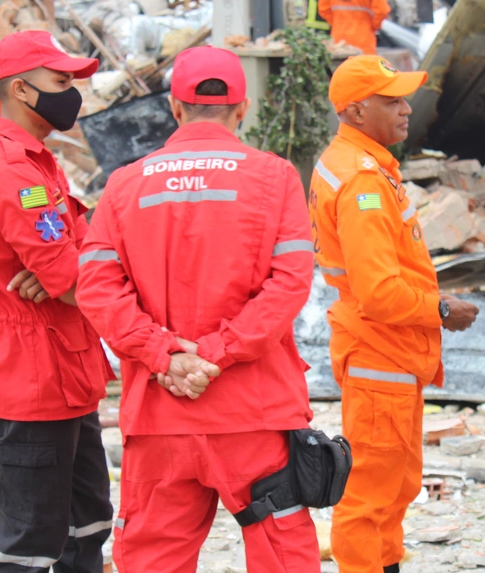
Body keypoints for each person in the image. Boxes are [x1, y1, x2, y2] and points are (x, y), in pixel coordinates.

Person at [75, 46, 320, 573]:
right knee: (282, 553)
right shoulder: (274, 177)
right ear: (242, 109)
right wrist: (216, 354)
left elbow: (96, 290)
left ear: (176, 109)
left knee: (152, 558)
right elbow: (290, 283)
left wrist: (164, 356)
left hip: (160, 414)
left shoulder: (123, 185)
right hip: (252, 412)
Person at [309, 54, 479, 573]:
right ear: (357, 112)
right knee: (370, 498)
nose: (407, 109)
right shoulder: (361, 181)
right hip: (380, 355)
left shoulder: (365, 167)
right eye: (393, 101)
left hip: (389, 358)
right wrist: (443, 308)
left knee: (395, 488)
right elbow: (380, 293)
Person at [0, 30, 113, 572]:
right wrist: (73, 267)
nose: (73, 93)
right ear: (21, 90)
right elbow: (71, 278)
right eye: (62, 81)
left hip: (64, 371)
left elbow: (77, 255)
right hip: (34, 379)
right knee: (30, 545)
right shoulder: (12, 170)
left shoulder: (38, 161)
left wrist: (76, 261)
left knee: (86, 523)